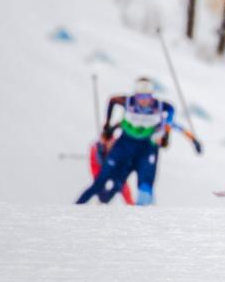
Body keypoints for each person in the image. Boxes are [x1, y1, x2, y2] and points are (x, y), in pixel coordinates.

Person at [76, 77, 196, 205]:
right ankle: (78, 208)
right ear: (136, 95)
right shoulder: (128, 103)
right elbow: (112, 102)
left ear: (151, 96)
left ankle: (141, 213)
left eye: (147, 97)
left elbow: (172, 119)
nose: (143, 101)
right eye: (140, 97)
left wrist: (170, 136)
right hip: (125, 145)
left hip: (147, 148)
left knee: (144, 183)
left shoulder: (159, 107)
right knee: (107, 184)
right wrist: (107, 126)